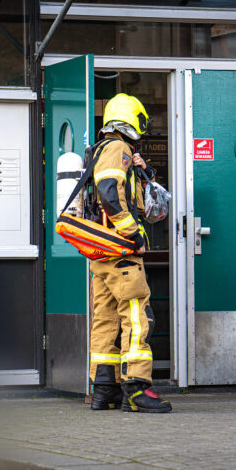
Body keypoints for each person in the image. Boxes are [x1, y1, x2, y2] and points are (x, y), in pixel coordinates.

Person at [87, 93, 172, 413]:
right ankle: (136, 388)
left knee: (106, 319)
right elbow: (110, 194)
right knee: (138, 317)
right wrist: (132, 232)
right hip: (120, 250)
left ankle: (105, 389)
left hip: (101, 250)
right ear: (131, 118)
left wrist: (143, 168)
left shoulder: (99, 150)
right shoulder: (118, 148)